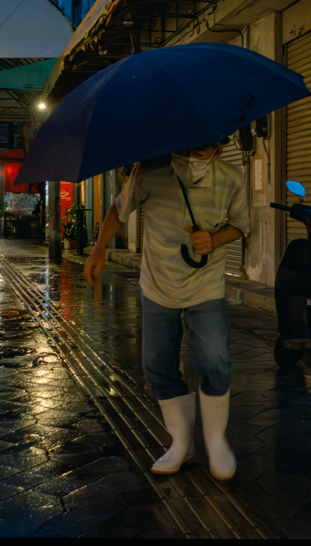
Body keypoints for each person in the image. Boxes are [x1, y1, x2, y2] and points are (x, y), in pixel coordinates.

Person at [84, 140, 249, 480]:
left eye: (200, 151)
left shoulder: (232, 177)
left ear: (218, 149)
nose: (191, 158)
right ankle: (181, 443)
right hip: (157, 284)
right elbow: (118, 209)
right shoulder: (149, 172)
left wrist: (214, 240)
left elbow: (242, 224)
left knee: (215, 359)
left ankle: (216, 441)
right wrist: (99, 248)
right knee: (157, 366)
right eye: (185, 149)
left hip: (206, 286)